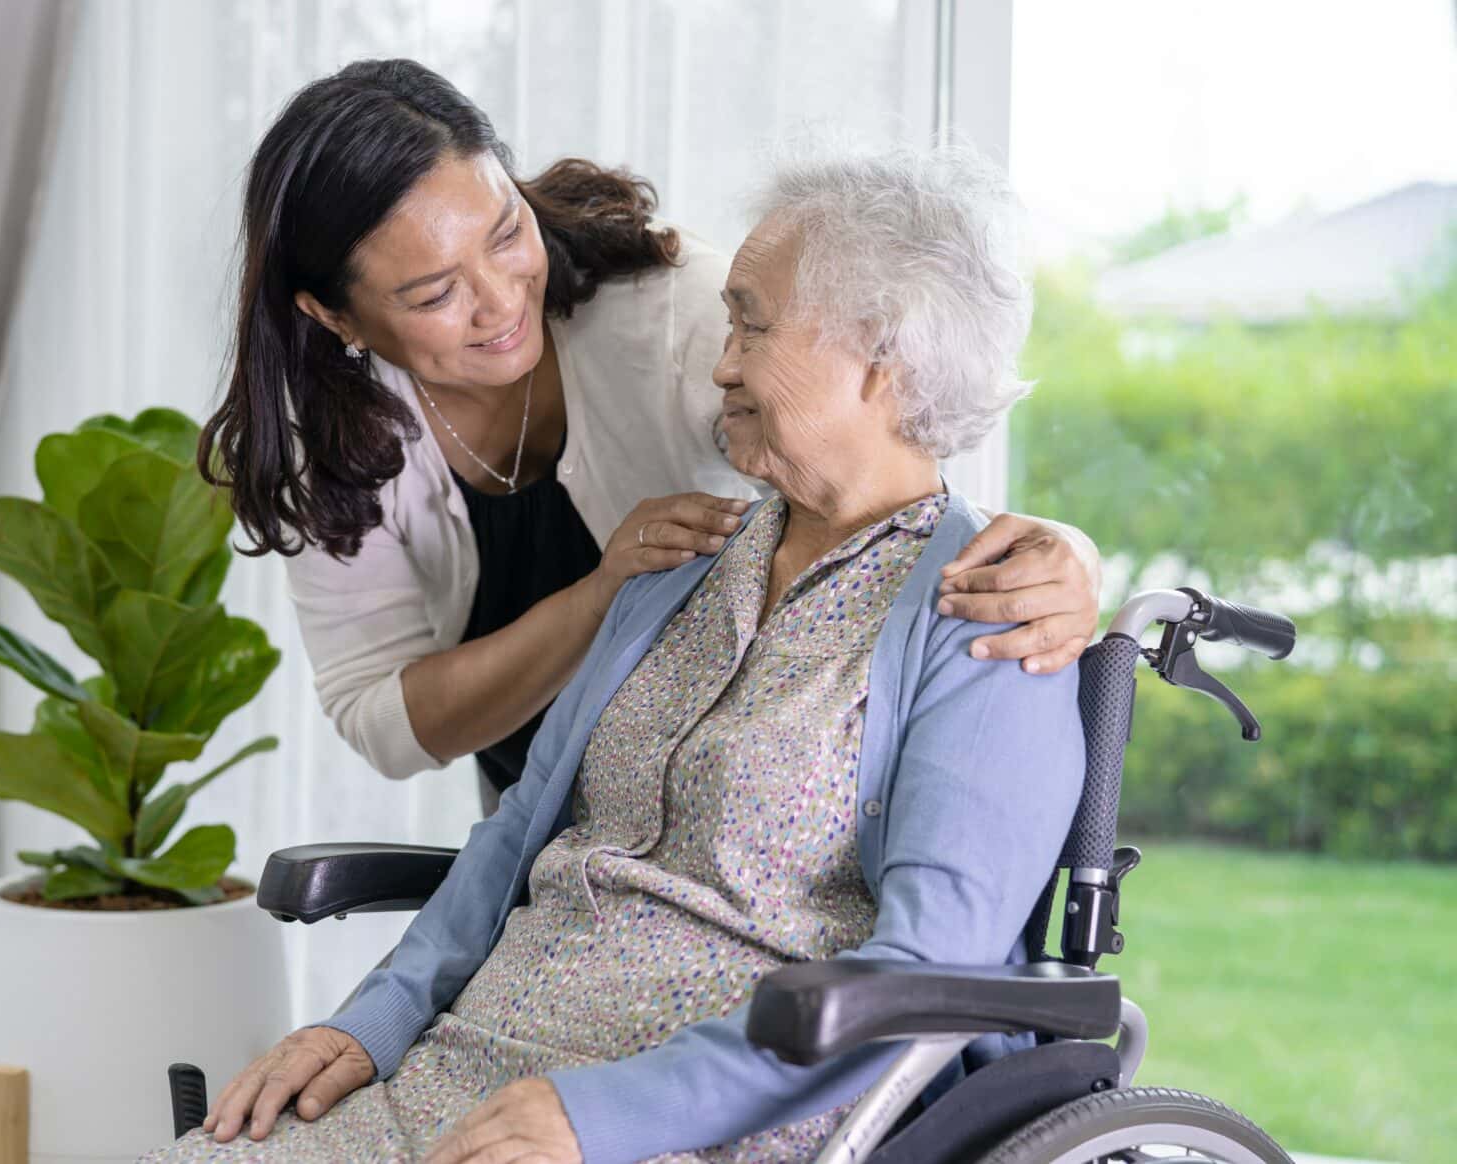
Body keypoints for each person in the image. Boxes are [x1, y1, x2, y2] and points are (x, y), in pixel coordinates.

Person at [144, 142, 1086, 1163]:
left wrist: (608, 1116)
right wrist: (366, 1024)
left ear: (883, 359)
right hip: (475, 1068)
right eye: (727, 320)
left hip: (714, 1114)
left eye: (753, 326)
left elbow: (927, 966)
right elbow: (512, 842)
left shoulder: (988, 613)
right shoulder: (679, 562)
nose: (721, 360)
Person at [197, 59, 1101, 811]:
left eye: (507, 231)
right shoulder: (324, 439)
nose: (503, 299)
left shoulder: (678, 316)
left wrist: (1063, 555)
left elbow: (905, 456)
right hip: (554, 833)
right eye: (435, 294)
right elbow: (385, 722)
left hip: (731, 810)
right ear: (334, 316)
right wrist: (601, 598)